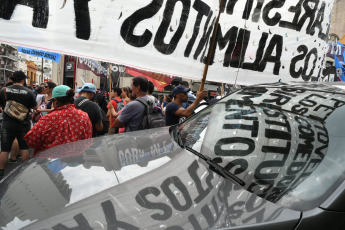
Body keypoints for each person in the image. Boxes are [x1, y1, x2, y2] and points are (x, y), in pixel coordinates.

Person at [25, 85, 92, 155]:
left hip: (49, 161)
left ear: (56, 101)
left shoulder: (48, 118)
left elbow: (31, 140)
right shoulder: (84, 116)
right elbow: (87, 140)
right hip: (76, 160)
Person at [0, 71, 38, 179]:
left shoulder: (4, 90)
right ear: (22, 80)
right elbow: (34, 108)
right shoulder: (29, 92)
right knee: (24, 147)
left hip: (7, 123)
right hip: (23, 124)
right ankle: (25, 171)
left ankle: (1, 172)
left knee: (4, 149)